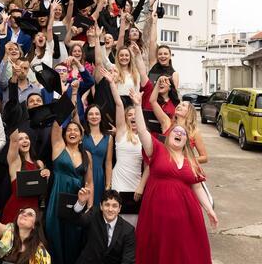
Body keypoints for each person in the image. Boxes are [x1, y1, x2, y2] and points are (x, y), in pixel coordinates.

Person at [129, 89, 218, 264]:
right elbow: (142, 131)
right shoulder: (157, 150)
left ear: (186, 141)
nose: (179, 133)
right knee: (157, 251)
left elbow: (197, 187)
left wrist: (209, 209)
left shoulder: (191, 161)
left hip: (186, 217)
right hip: (157, 215)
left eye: (183, 134)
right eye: (176, 132)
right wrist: (138, 106)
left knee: (183, 253)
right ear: (169, 136)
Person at [100, 67, 148, 227]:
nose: (133, 117)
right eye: (130, 115)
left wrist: (141, 186)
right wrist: (112, 83)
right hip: (119, 183)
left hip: (136, 185)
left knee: (134, 225)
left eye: (136, 115)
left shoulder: (145, 138)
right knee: (115, 223)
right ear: (126, 119)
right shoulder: (120, 133)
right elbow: (119, 105)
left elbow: (149, 165)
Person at [45, 120, 94, 264]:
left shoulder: (87, 155)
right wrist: (66, 101)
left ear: (81, 136)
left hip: (77, 200)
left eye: (76, 130)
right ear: (64, 135)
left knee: (74, 238)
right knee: (54, 234)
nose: (72, 132)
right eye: (69, 130)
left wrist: (89, 207)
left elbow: (89, 182)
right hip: (57, 198)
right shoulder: (59, 146)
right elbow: (56, 126)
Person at [0, 181, 51, 264]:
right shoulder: (9, 232)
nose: (24, 214)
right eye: (22, 212)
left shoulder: (41, 252)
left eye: (30, 214)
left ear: (35, 225)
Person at [149, 76, 208, 163]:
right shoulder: (167, 123)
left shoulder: (194, 132)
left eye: (183, 105)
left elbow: (204, 157)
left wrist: (186, 161)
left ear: (189, 112)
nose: (179, 106)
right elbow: (153, 101)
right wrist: (158, 82)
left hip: (183, 169)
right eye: (179, 105)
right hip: (164, 165)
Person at [71, 188, 135, 264]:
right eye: (107, 205)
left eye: (114, 206)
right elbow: (78, 220)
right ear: (101, 206)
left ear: (119, 209)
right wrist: (80, 203)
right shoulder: (94, 214)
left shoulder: (128, 230)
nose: (110, 209)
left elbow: (128, 260)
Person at [2, 130, 50, 224]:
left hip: (33, 210)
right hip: (15, 209)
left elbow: (42, 191)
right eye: (20, 139)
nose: (24, 141)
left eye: (27, 138)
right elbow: (13, 140)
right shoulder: (15, 162)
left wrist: (47, 176)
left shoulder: (39, 164)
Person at [82, 104, 113, 206]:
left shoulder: (108, 137)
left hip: (99, 176)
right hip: (83, 174)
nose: (94, 116)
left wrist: (108, 185)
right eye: (90, 114)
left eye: (97, 114)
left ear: (101, 117)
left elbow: (108, 162)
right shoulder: (82, 134)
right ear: (86, 117)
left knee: (96, 208)